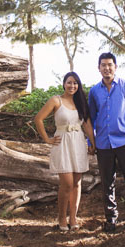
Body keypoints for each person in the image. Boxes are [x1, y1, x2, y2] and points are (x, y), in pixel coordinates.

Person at [88, 52, 125, 232]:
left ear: (115, 67)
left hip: (124, 141)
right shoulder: (94, 91)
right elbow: (90, 118)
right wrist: (89, 140)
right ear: (99, 68)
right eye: (103, 65)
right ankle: (111, 219)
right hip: (103, 143)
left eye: (110, 64)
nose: (107, 68)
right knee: (107, 182)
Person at [33, 72, 96, 231]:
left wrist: (92, 143)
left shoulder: (81, 103)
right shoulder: (56, 100)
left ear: (78, 85)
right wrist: (47, 139)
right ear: (64, 84)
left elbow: (87, 124)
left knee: (76, 182)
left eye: (75, 83)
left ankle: (73, 217)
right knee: (67, 183)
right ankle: (61, 217)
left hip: (78, 143)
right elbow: (38, 119)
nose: (72, 86)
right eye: (69, 82)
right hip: (62, 144)